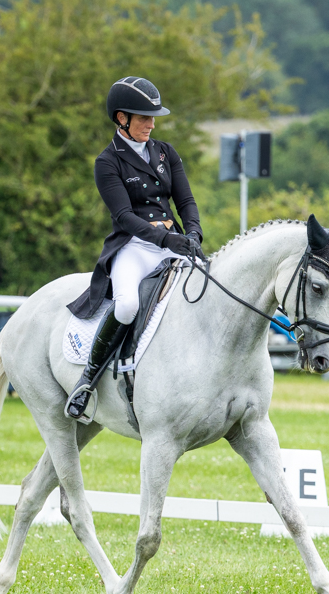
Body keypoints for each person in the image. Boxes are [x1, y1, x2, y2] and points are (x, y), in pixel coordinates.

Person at [64, 76, 203, 420]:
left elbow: (184, 199)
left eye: (153, 118)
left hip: (174, 243)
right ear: (121, 118)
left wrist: (195, 232)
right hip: (134, 247)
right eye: (144, 118)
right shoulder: (108, 161)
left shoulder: (165, 152)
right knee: (127, 306)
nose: (151, 124)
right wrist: (166, 240)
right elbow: (124, 216)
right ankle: (87, 380)